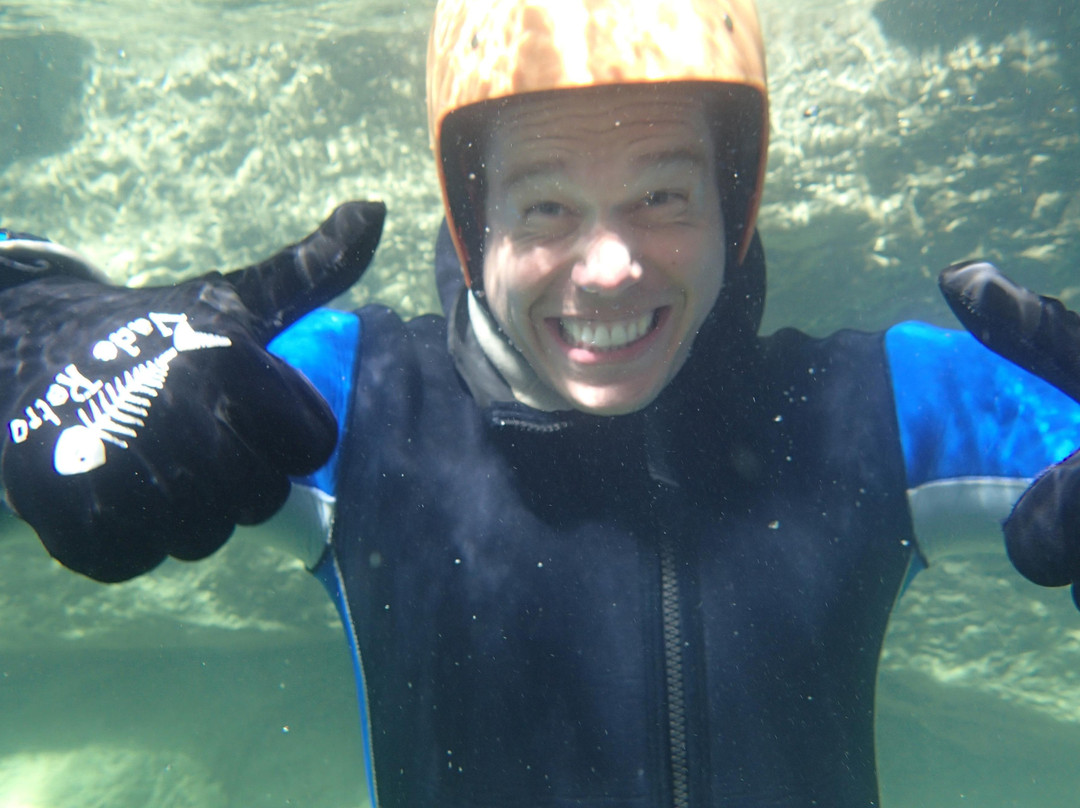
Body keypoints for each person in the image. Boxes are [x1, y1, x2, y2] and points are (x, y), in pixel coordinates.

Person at [2, 0, 1080, 804]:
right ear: (474, 226)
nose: (608, 269)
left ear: (734, 203)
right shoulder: (362, 406)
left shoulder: (864, 409)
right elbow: (96, 407)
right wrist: (38, 329)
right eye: (546, 208)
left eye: (662, 195)